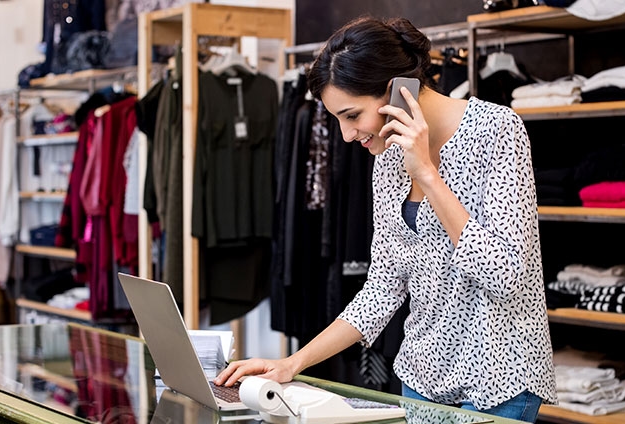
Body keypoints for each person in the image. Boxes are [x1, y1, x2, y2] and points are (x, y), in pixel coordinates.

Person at [214, 16, 557, 422]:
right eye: (338, 120)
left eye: (352, 115)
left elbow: (507, 276)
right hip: (423, 377)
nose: (346, 134)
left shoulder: (496, 131)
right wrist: (292, 363)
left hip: (499, 381)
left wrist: (428, 175)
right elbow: (383, 288)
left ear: (397, 91)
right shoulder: (387, 159)